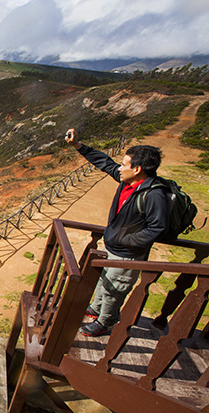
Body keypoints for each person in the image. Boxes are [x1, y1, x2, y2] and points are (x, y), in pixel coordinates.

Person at [65, 129, 170, 336]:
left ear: (137, 169)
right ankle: (96, 309)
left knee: (115, 289)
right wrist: (78, 145)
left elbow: (158, 228)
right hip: (114, 245)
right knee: (104, 281)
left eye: (124, 164)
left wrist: (126, 240)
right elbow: (105, 163)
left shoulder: (154, 195)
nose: (119, 168)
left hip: (128, 253)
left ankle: (105, 322)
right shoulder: (128, 181)